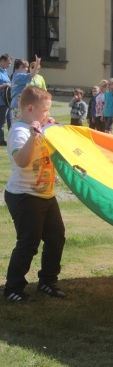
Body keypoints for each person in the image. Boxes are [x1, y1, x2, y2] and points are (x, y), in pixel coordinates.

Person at [3, 86, 66, 302]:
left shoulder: (40, 127)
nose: (48, 114)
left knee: (56, 238)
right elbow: (21, 161)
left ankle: (48, 281)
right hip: (24, 196)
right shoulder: (20, 131)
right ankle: (13, 289)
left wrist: (53, 130)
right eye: (45, 110)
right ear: (31, 108)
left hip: (46, 195)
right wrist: (34, 136)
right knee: (29, 243)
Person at [10, 56, 40, 120]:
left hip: (17, 103)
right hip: (18, 104)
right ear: (17, 68)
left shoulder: (15, 75)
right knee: (19, 124)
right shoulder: (18, 76)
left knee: (18, 123)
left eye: (27, 67)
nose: (26, 69)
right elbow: (31, 75)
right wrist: (37, 63)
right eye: (23, 67)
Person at [0, 54, 12, 146]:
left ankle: (12, 139)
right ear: (2, 61)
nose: (9, 65)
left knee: (10, 120)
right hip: (1, 102)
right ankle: (1, 140)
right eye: (8, 63)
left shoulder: (5, 72)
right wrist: (5, 85)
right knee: (2, 121)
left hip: (8, 101)